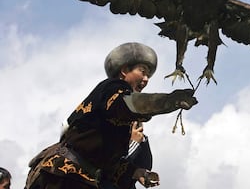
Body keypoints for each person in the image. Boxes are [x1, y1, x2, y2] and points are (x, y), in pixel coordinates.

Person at [25, 42, 198, 189]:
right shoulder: (112, 88)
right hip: (63, 175)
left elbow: (108, 163)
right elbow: (129, 105)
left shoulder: (121, 126)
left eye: (148, 75)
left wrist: (136, 173)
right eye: (142, 71)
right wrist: (169, 101)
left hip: (79, 178)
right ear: (124, 70)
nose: (146, 79)